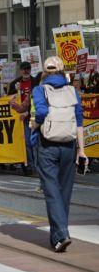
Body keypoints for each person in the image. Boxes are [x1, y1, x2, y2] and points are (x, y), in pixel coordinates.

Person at [32, 56, 87, 252]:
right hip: (70, 145)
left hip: (47, 145)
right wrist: (82, 150)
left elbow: (40, 113)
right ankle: (58, 234)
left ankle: (61, 233)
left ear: (45, 71)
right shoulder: (72, 90)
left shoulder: (39, 89)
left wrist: (33, 124)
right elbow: (79, 120)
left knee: (51, 190)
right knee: (64, 191)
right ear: (63, 70)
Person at [9, 61, 39, 176]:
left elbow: (37, 99)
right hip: (20, 117)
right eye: (24, 69)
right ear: (20, 70)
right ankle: (29, 165)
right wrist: (16, 92)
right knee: (26, 142)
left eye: (28, 68)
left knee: (35, 142)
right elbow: (9, 100)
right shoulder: (14, 83)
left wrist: (28, 112)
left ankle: (35, 165)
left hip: (35, 116)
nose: (26, 71)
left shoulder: (36, 82)